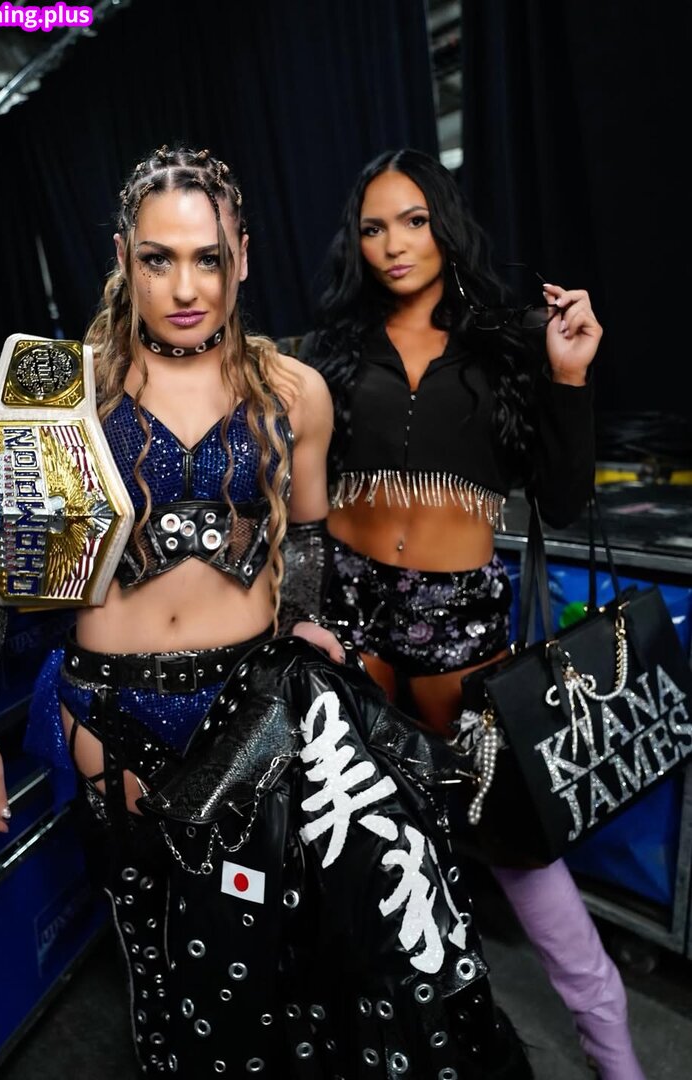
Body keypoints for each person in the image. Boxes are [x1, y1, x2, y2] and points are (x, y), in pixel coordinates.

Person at [0, 145, 534, 1078]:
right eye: (158, 258)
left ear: (243, 257)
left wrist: (302, 618)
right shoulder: (62, 384)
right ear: (123, 256)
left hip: (250, 709)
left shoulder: (294, 390)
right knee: (154, 956)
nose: (186, 287)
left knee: (267, 967)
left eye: (208, 258)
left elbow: (310, 534)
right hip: (111, 712)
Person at [299, 147, 646, 1080]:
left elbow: (564, 503)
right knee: (346, 844)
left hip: (460, 622)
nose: (393, 244)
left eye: (414, 221)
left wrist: (568, 375)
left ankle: (612, 1045)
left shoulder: (508, 341)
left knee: (520, 846)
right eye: (374, 228)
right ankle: (371, 1040)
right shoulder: (330, 351)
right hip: (349, 610)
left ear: (446, 226)